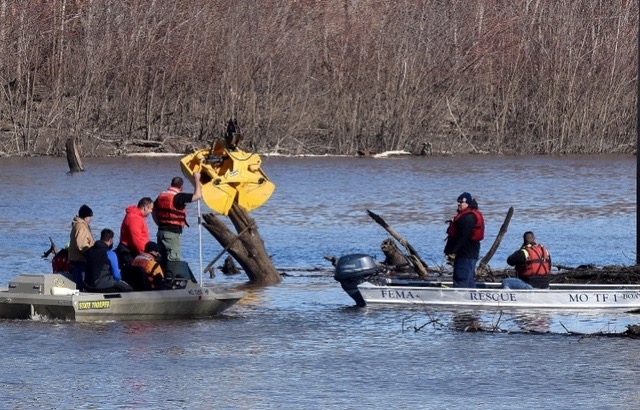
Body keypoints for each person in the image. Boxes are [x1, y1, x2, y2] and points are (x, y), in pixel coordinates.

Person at [153, 173, 202, 263]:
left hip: (160, 233)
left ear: (170, 185)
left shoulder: (161, 196)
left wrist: (159, 224)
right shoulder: (179, 197)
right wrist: (197, 179)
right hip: (172, 234)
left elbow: (153, 210)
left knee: (162, 260)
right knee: (173, 260)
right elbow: (198, 196)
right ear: (181, 188)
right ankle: (172, 276)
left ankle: (163, 276)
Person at [444, 192, 485, 288]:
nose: (459, 204)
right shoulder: (465, 215)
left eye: (461, 202)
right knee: (468, 279)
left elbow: (463, 237)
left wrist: (453, 251)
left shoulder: (468, 217)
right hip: (468, 254)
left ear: (468, 203)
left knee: (461, 279)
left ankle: (460, 300)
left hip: (465, 254)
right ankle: (474, 300)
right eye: (458, 202)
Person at [85, 228, 133, 292]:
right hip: (101, 285)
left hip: (88, 285)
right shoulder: (110, 254)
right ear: (110, 240)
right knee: (128, 288)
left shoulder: (89, 251)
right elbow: (117, 276)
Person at [116, 197, 154, 267]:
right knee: (134, 273)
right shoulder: (135, 218)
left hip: (133, 250)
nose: (151, 211)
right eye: (151, 209)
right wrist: (145, 255)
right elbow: (136, 239)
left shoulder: (137, 216)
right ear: (145, 207)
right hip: (129, 251)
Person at [68, 204, 95, 291]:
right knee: (81, 287)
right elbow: (81, 245)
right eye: (90, 216)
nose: (92, 218)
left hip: (76, 259)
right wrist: (90, 253)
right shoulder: (82, 227)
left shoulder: (77, 225)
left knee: (79, 285)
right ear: (86, 217)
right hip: (80, 261)